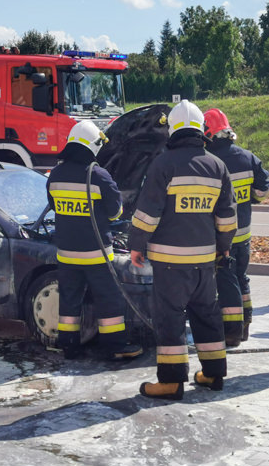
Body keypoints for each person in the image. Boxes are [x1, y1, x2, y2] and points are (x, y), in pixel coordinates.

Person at [130, 100, 237, 400]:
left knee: (170, 319)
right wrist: (223, 249)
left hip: (168, 262)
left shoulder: (163, 164)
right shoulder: (218, 166)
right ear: (201, 130)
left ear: (172, 129)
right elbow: (227, 219)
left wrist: (136, 244)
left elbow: (148, 213)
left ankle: (171, 381)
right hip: (204, 262)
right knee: (207, 316)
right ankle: (213, 374)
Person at [46, 120, 143, 361]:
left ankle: (68, 346)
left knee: (69, 301)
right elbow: (115, 213)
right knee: (109, 300)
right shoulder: (99, 176)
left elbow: (53, 205)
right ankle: (115, 346)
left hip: (66, 253)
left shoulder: (55, 174)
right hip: (96, 254)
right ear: (93, 146)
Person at [203, 108, 268, 346]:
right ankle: (245, 325)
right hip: (245, 233)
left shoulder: (209, 161)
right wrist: (249, 198)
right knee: (242, 277)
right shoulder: (248, 157)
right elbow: (262, 191)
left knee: (225, 279)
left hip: (222, 235)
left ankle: (231, 332)